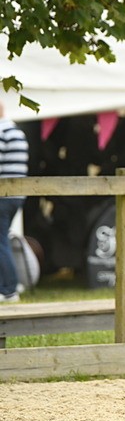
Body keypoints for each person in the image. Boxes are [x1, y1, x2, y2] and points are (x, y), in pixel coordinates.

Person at [0, 103, 28, 303]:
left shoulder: (1, 132)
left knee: (1, 242)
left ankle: (9, 289)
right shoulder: (17, 131)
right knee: (3, 239)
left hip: (3, 194)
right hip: (16, 194)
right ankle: (7, 286)